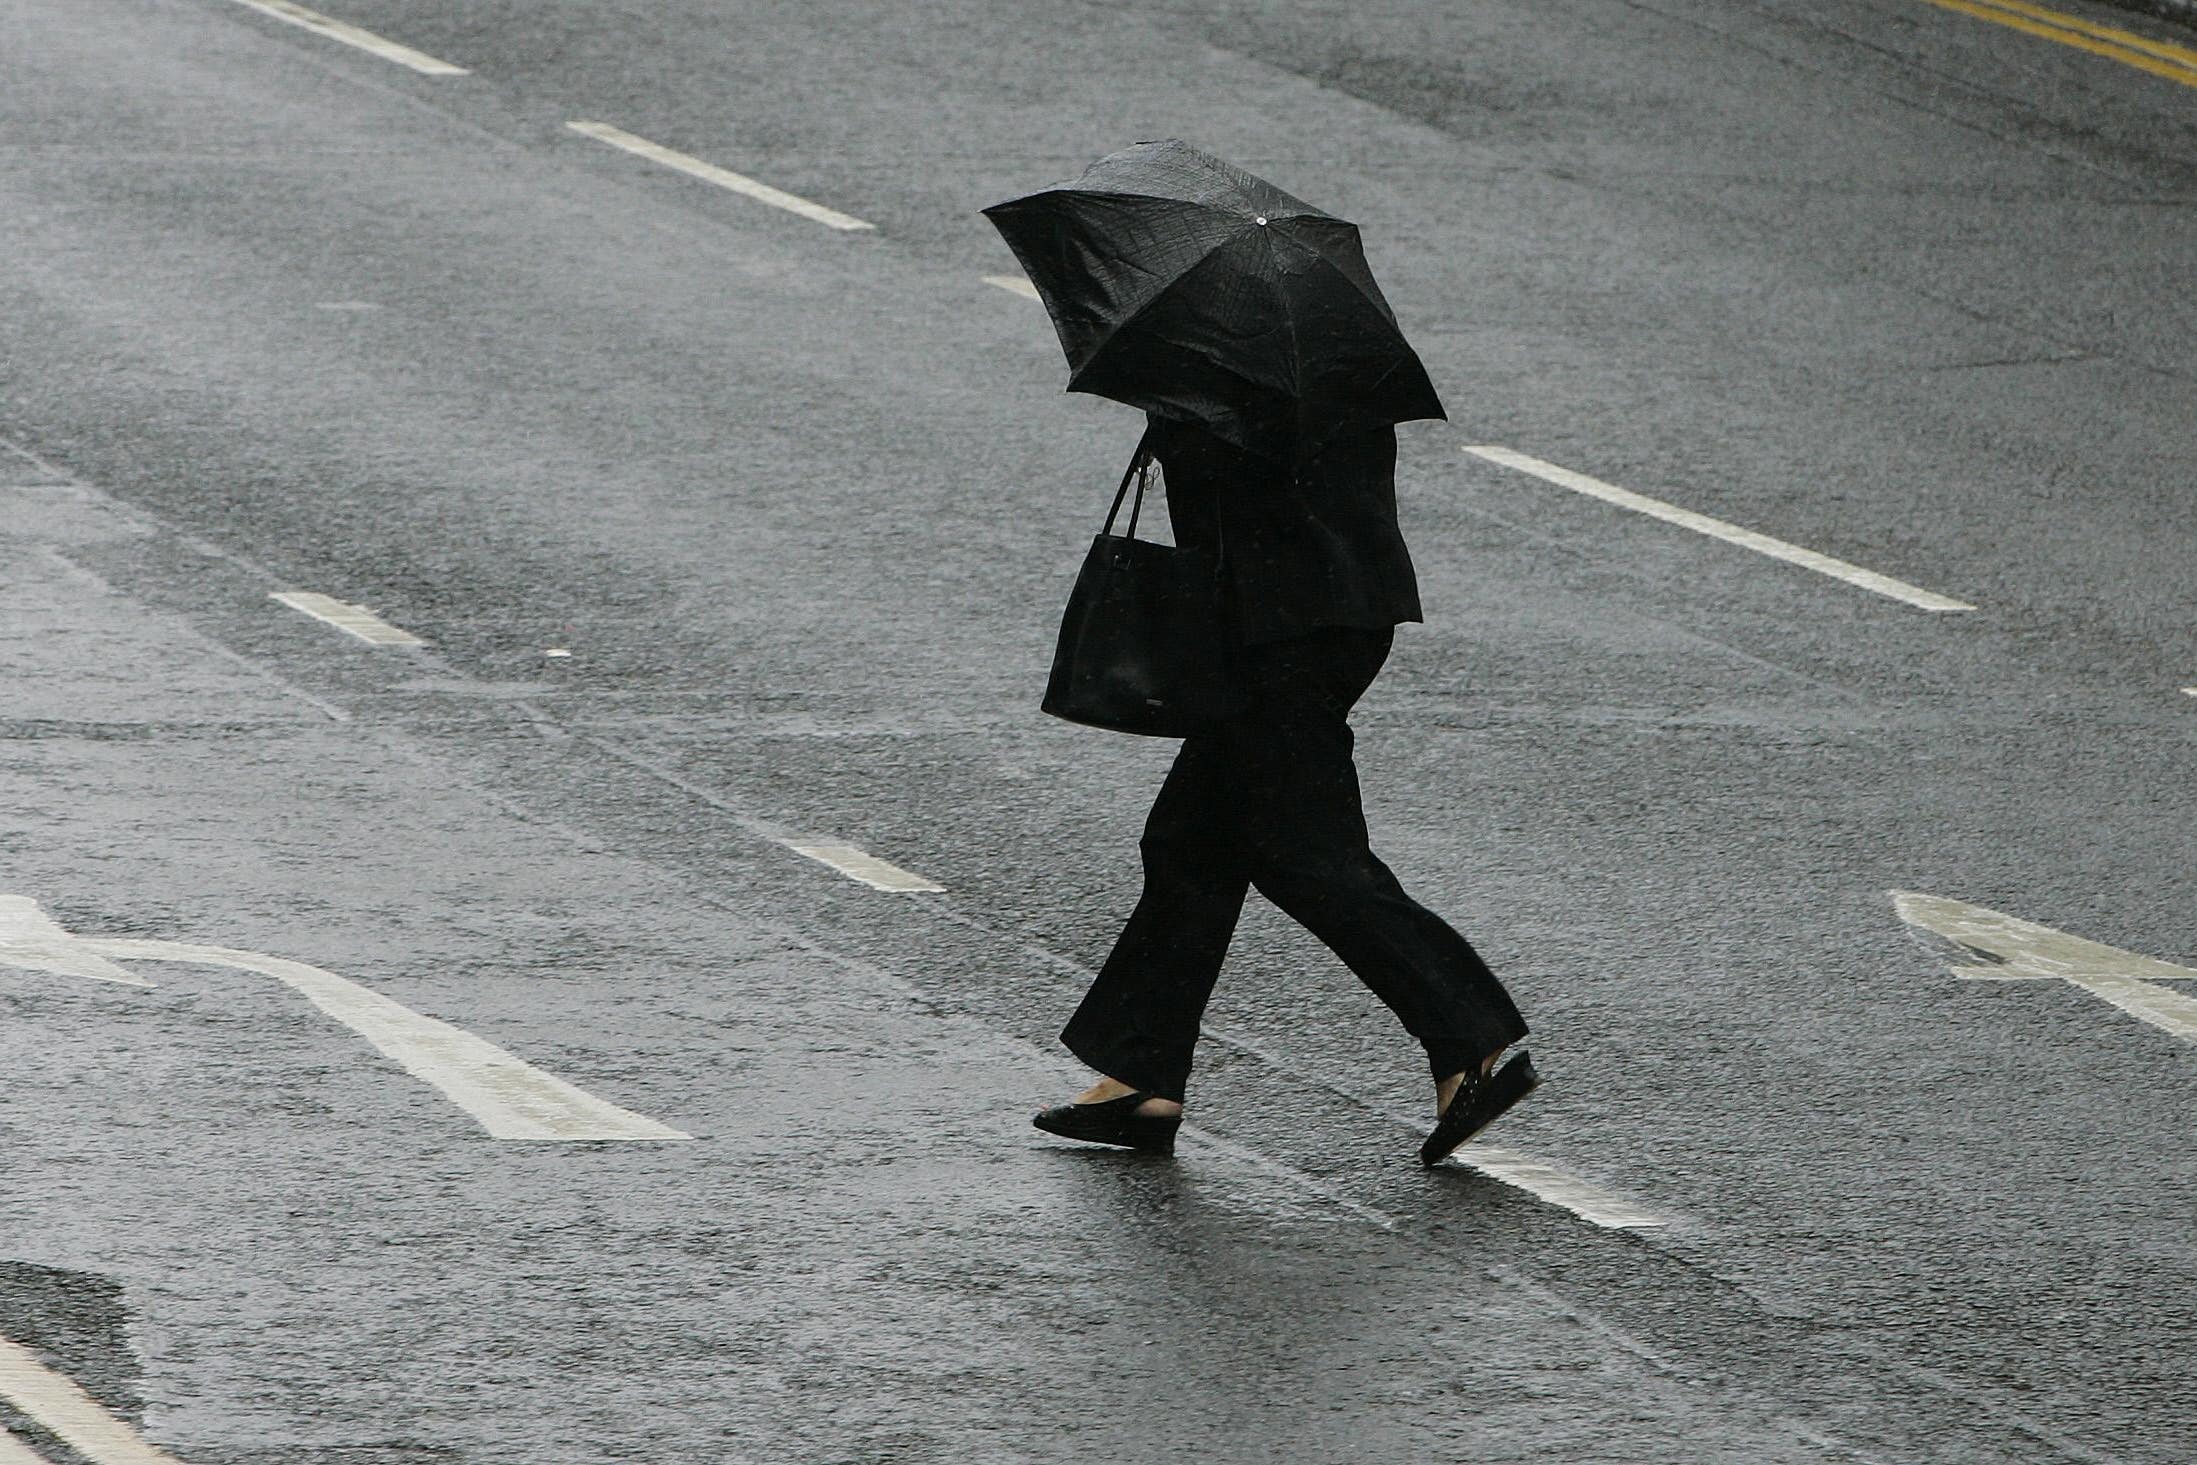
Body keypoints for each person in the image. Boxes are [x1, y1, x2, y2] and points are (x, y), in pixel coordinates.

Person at [1032, 412, 1537, 1166]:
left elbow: (1236, 497)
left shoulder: (1237, 367)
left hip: (1286, 629)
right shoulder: (1303, 355)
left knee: (1306, 854)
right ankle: (1143, 1073)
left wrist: (1171, 421)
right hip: (1317, 613)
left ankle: (1468, 1037)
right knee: (1188, 845)